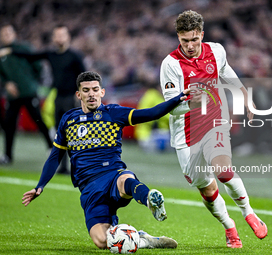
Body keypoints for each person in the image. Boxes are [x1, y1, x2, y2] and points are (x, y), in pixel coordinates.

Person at [22, 71, 190, 250]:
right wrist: (40, 186)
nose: (91, 94)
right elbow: (55, 155)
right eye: (86, 90)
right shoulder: (69, 119)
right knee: (103, 242)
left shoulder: (113, 113)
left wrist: (179, 98)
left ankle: (149, 199)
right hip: (88, 188)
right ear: (79, 95)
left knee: (126, 181)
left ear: (102, 92)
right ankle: (142, 239)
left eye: (95, 89)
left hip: (112, 174)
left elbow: (151, 113)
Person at [160, 10, 268, 248]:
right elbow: (171, 107)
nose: (190, 45)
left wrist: (243, 93)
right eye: (184, 40)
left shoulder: (216, 51)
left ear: (202, 35)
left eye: (194, 40)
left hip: (214, 122)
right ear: (178, 37)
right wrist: (189, 103)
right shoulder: (170, 64)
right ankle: (229, 227)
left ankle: (249, 212)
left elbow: (226, 72)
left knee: (222, 169)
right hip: (185, 133)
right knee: (207, 188)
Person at [0, 25, 86, 173]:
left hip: (70, 98)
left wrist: (82, 96)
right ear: (53, 38)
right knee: (62, 132)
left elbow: (84, 76)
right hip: (58, 97)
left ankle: (81, 165)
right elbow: (31, 56)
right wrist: (11, 50)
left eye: (62, 35)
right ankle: (63, 167)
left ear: (68, 37)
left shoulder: (75, 55)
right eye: (57, 35)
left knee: (75, 132)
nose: (59, 38)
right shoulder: (50, 54)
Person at [0, 24, 53, 164]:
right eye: (4, 34)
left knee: (38, 119)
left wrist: (31, 82)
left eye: (8, 33)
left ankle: (50, 147)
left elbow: (38, 66)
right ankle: (7, 155)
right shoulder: (1, 52)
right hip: (13, 95)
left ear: (14, 34)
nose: (6, 36)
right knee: (9, 124)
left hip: (28, 92)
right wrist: (6, 84)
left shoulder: (24, 49)